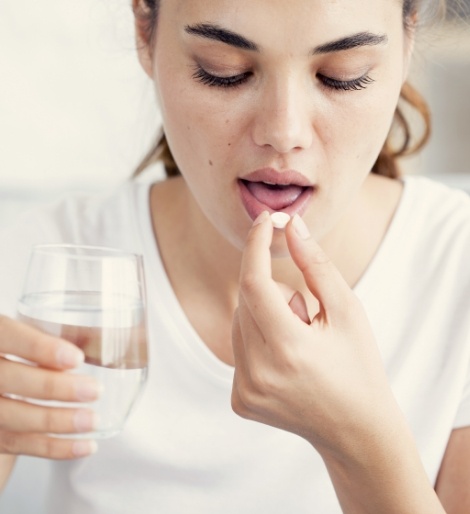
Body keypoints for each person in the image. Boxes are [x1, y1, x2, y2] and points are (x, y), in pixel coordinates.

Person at [0, 0, 469, 512]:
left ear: (408, 41)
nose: (284, 133)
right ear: (144, 31)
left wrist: (359, 441)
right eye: (224, 72)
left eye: (342, 76)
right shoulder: (39, 269)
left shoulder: (457, 266)